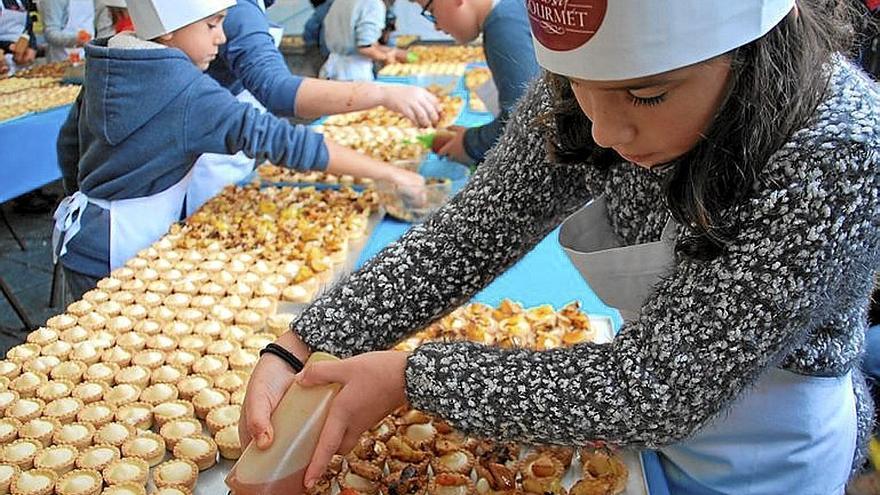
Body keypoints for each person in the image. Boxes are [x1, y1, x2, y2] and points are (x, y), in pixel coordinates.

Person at [241, 0, 879, 492]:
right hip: (633, 407)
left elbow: (657, 387)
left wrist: (415, 375)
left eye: (647, 93)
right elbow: (478, 225)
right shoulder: (591, 97)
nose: (604, 129)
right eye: (575, 85)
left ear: (756, 53)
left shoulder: (836, 150)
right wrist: (303, 340)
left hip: (762, 451)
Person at [53, 0, 425, 301]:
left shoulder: (111, 63)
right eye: (212, 25)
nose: (221, 38)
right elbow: (283, 141)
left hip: (84, 236)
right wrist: (388, 173)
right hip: (124, 246)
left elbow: (68, 143)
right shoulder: (188, 93)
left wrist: (87, 191)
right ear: (167, 29)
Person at [186, 0, 441, 215]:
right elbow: (278, 93)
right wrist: (382, 93)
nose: (218, 36)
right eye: (212, 26)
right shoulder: (241, 10)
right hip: (213, 153)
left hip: (231, 138)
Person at [413, 0, 540, 164]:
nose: (436, 26)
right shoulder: (508, 14)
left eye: (431, 11)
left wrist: (470, 144)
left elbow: (522, 119)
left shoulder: (503, 29)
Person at [319, 0, 408, 80]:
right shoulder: (372, 4)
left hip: (333, 69)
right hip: (354, 73)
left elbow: (366, 43)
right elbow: (365, 47)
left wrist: (394, 52)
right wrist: (387, 57)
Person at [0, 0, 37, 70]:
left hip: (23, 58)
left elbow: (28, 28)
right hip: (3, 61)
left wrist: (32, 47)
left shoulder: (22, 2)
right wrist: (8, 45)